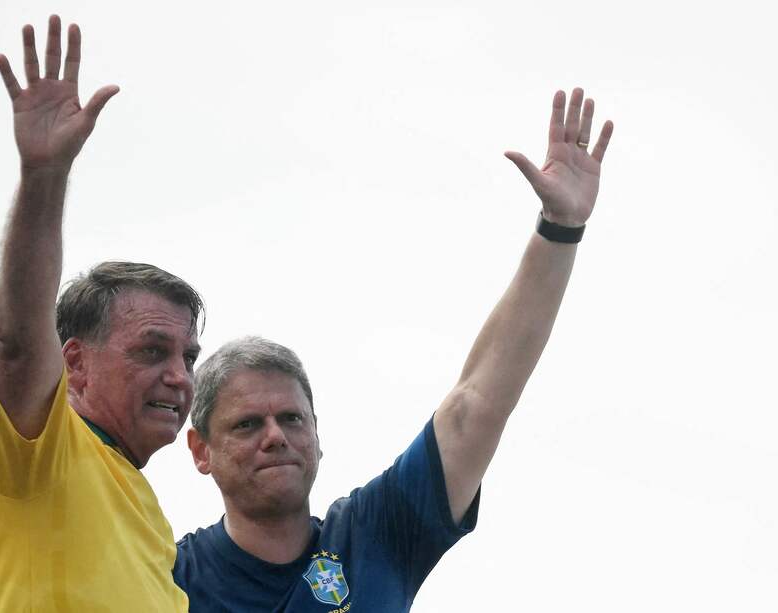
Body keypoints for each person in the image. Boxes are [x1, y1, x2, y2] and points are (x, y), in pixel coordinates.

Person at [174, 88, 614, 611]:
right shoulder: (166, 574)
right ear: (200, 450)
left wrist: (560, 230)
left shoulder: (375, 535)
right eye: (247, 424)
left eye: (292, 419)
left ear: (317, 436)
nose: (276, 437)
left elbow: (475, 404)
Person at [0, 15, 202, 611]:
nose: (180, 377)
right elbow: (19, 340)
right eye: (152, 351)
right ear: (75, 364)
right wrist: (44, 175)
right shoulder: (38, 446)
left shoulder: (153, 523)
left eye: (188, 357)